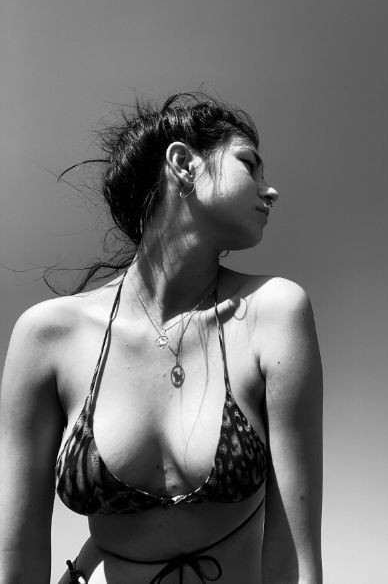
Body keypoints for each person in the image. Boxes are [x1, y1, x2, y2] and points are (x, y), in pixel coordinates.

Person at [0, 93, 323, 583]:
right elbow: (19, 562)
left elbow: (295, 559)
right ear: (183, 164)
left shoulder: (273, 312)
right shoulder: (48, 336)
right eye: (249, 165)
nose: (270, 190)